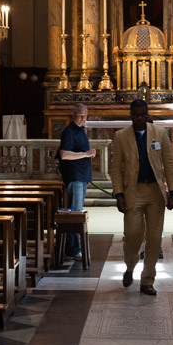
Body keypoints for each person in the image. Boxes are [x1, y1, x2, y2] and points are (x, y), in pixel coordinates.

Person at [111, 99, 173, 296]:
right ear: (131, 115)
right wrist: (118, 194)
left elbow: (169, 163)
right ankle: (130, 267)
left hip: (155, 192)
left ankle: (147, 280)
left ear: (147, 114)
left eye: (142, 114)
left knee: (154, 238)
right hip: (133, 191)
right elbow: (116, 169)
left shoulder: (159, 133)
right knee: (132, 236)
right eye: (136, 115)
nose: (139, 118)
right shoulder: (121, 136)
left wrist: (172, 192)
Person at [59, 103, 96, 260]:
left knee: (77, 212)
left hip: (81, 176)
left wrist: (87, 177)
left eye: (85, 116)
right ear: (73, 115)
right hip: (74, 176)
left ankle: (72, 246)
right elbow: (64, 155)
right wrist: (86, 154)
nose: (83, 118)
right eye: (80, 115)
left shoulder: (81, 130)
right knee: (75, 213)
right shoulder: (69, 131)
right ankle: (73, 248)